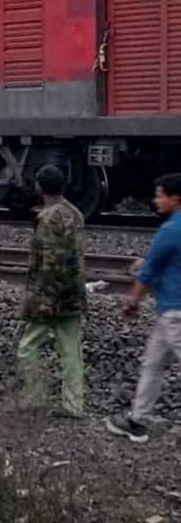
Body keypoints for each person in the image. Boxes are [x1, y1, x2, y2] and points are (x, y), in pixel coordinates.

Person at [108, 173, 181, 443]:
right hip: (168, 312)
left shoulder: (171, 230)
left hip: (176, 312)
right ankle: (137, 421)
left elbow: (148, 272)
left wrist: (132, 301)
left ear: (176, 199)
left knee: (154, 365)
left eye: (160, 195)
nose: (156, 200)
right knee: (152, 364)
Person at [14, 165, 87, 417]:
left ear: (39, 187)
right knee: (70, 351)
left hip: (51, 298)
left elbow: (51, 261)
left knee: (27, 347)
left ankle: (34, 397)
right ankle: (74, 404)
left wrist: (46, 299)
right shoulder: (75, 213)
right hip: (73, 295)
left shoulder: (48, 218)